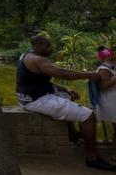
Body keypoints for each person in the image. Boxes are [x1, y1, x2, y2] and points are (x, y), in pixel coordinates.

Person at [17, 35, 113, 171]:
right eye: (47, 45)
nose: (50, 48)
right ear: (37, 46)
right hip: (35, 100)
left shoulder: (26, 56)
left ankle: (73, 134)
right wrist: (90, 75)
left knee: (68, 96)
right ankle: (92, 157)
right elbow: (62, 73)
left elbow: (41, 81)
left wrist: (65, 89)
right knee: (88, 116)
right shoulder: (38, 60)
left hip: (28, 96)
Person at [95, 46, 116, 153]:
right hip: (111, 102)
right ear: (103, 59)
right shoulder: (104, 70)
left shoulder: (109, 68)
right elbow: (103, 86)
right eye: (110, 59)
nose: (113, 61)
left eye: (113, 58)